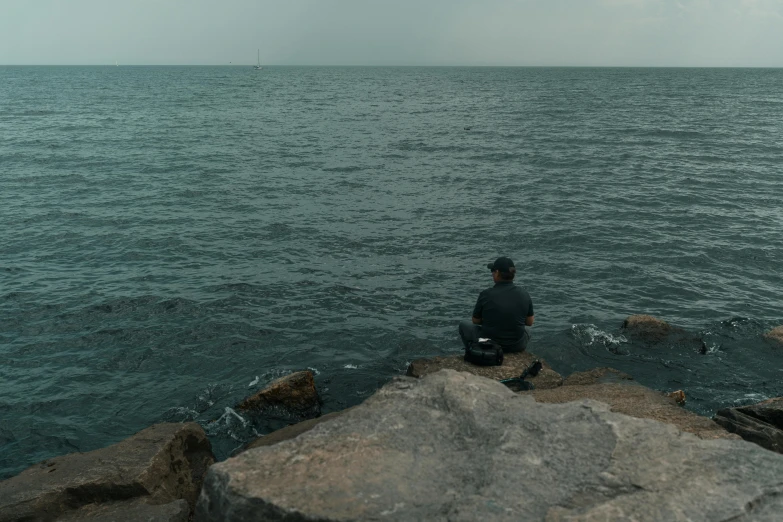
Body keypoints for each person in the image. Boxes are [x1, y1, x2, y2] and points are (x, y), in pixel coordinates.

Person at [459, 256, 534, 353]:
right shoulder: (524, 294)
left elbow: (475, 320)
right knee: (528, 331)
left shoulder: (486, 294)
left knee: (463, 325)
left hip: (489, 344)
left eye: (493, 271)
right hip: (517, 346)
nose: (492, 274)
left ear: (497, 273)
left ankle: (474, 351)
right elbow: (529, 322)